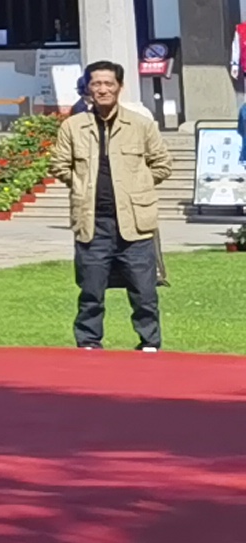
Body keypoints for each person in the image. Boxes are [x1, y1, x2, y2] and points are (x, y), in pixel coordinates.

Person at [60, 59, 173, 352]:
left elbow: (163, 164)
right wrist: (82, 185)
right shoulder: (73, 126)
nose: (103, 89)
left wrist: (138, 186)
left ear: (119, 87)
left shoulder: (141, 125)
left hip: (135, 224)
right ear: (88, 88)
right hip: (92, 223)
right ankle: (88, 342)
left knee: (144, 293)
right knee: (90, 292)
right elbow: (59, 165)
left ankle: (149, 343)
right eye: (96, 83)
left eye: (109, 83)